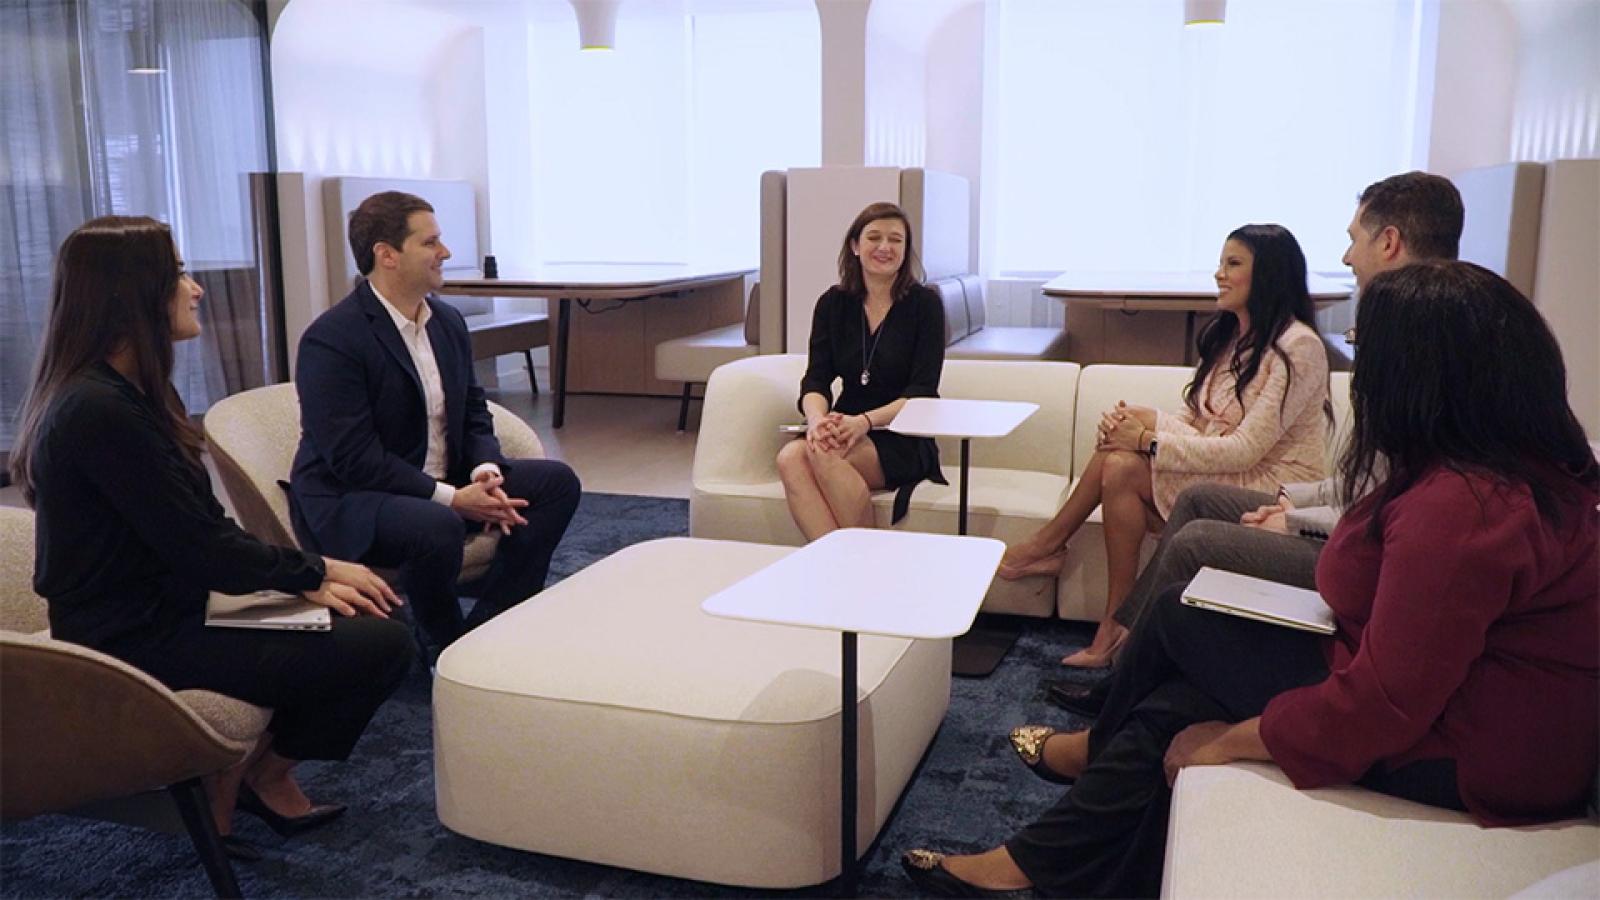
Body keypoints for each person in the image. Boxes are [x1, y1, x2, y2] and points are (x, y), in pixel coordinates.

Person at [901, 260, 1599, 898]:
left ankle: (1044, 845)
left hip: (1474, 754)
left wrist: (1231, 738)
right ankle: (1057, 858)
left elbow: (1381, 708)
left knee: (1176, 694)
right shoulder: (1482, 473)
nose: (1360, 363)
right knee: (1177, 633)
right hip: (1433, 698)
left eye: (1368, 344)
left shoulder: (1467, 507)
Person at [10, 216, 415, 858]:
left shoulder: (132, 393)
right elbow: (201, 547)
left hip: (178, 604)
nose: (196, 288)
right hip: (132, 634)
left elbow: (202, 531)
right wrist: (314, 573)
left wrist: (305, 579)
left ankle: (248, 777)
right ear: (132, 294)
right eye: (178, 273)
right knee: (381, 643)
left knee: (374, 618)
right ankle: (253, 776)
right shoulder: (99, 410)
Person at [1049, 171, 1466, 715]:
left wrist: (1294, 517)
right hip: (1330, 514)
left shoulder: (1384, 345)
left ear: (1388, 242)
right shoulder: (1233, 337)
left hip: (1355, 542)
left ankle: (1119, 678)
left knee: (1185, 527)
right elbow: (1369, 484)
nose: (1346, 257)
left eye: (1353, 240)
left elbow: (1383, 502)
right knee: (1181, 492)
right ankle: (1120, 642)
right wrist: (1296, 504)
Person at [1001, 224, 1331, 668]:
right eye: (1220, 263)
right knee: (1119, 461)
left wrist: (1148, 438)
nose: (1219, 274)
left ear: (1269, 274)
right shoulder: (1231, 336)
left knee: (1122, 462)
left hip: (1271, 490)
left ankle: (1057, 557)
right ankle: (1109, 620)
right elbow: (1197, 421)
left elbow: (1245, 450)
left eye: (1233, 264)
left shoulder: (1299, 347)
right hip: (1229, 471)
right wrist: (1143, 420)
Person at [290, 191, 581, 656]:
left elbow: (473, 410)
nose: (445, 252)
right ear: (387, 255)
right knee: (437, 523)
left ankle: (490, 627)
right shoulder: (332, 339)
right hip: (356, 498)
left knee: (557, 484)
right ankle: (441, 644)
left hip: (441, 480)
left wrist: (485, 471)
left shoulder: (446, 321)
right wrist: (453, 499)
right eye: (430, 242)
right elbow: (353, 459)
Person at [776, 201, 947, 538]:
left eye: (895, 240)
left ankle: (863, 559)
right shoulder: (833, 303)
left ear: (906, 250)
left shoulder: (925, 304)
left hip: (901, 432)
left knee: (824, 456)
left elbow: (923, 391)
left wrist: (864, 423)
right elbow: (816, 379)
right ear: (855, 246)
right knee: (789, 458)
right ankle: (836, 561)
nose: (885, 247)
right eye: (874, 237)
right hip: (845, 423)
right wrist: (817, 421)